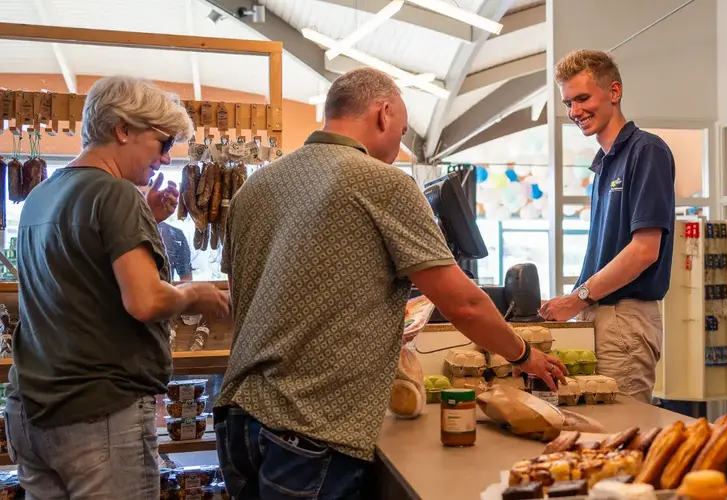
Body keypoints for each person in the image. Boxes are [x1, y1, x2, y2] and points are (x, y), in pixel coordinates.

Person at [214, 67, 567, 499]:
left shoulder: (256, 187)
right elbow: (463, 305)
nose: (398, 149)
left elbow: (244, 299)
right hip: (309, 427)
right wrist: (523, 353)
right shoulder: (382, 182)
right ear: (383, 114)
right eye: (400, 133)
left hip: (237, 422)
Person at [5, 75, 230, 499]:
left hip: (31, 410)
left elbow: (79, 271)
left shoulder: (41, 194)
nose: (165, 160)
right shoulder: (116, 195)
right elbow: (145, 301)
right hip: (98, 414)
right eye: (163, 144)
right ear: (122, 130)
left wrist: (146, 222)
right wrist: (193, 294)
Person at [539, 50, 676, 404]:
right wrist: (572, 302)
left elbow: (645, 250)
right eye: (568, 102)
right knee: (593, 436)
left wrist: (579, 297)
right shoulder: (604, 163)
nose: (575, 111)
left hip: (624, 319)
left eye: (583, 98)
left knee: (619, 434)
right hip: (599, 314)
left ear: (614, 92)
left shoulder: (646, 151)